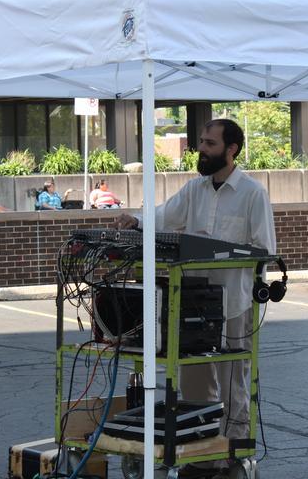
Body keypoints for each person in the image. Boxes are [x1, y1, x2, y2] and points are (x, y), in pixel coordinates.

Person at [114, 119, 276, 477]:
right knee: (194, 381)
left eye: (209, 143)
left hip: (235, 304)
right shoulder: (194, 189)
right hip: (193, 304)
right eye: (201, 141)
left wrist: (224, 254)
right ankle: (201, 454)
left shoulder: (253, 193)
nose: (201, 148)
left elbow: (265, 250)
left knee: (234, 383)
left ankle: (232, 454)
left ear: (231, 149)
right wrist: (136, 222)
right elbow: (163, 217)